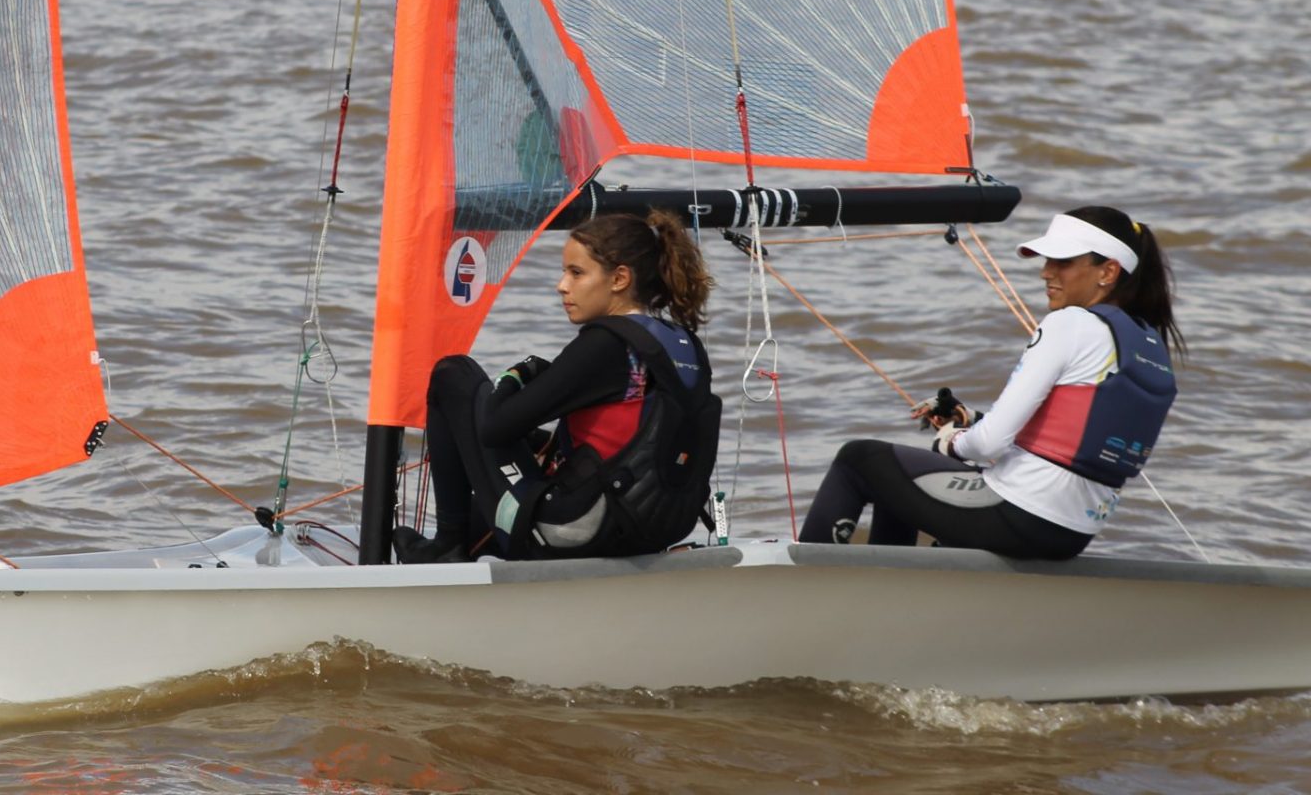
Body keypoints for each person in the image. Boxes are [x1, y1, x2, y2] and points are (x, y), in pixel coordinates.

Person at [799, 205, 1183, 561]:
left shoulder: (1071, 323)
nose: (1046, 272)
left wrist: (951, 441)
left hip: (1019, 514)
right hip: (1071, 531)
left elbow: (988, 445)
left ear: (1108, 272)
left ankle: (808, 581)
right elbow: (1073, 435)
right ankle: (892, 589)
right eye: (1047, 260)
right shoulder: (1145, 342)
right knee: (898, 480)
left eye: (1063, 262)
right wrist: (971, 419)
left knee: (859, 459)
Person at [393, 209, 721, 564]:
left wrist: (519, 373)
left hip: (576, 533)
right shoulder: (684, 345)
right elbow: (626, 436)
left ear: (619, 279)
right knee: (502, 494)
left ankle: (448, 545)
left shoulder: (604, 344)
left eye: (576, 273)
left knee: (453, 375)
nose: (562, 285)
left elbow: (493, 428)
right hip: (648, 529)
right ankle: (471, 540)